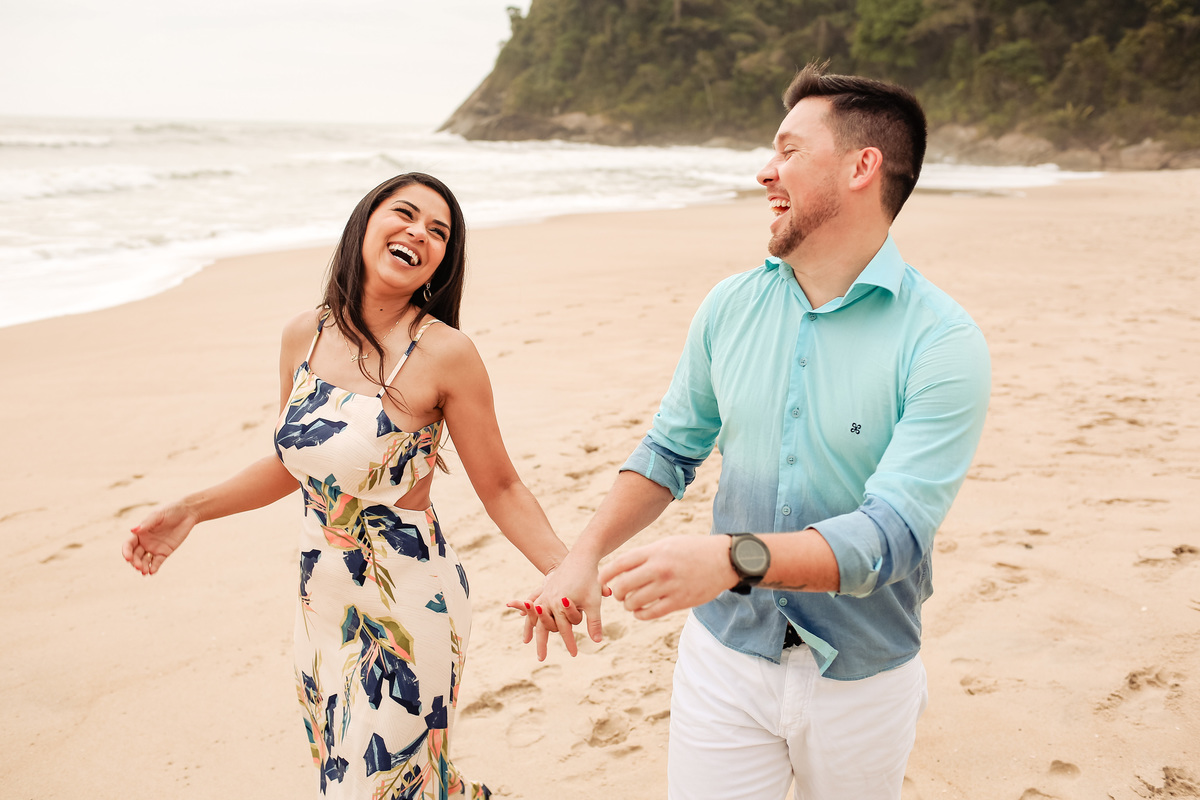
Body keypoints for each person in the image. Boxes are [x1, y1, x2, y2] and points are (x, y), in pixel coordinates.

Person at [517, 63, 992, 799]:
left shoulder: (942, 341)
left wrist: (733, 559)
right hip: (725, 661)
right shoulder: (728, 306)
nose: (766, 171)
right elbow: (670, 452)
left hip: (865, 676)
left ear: (863, 166)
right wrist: (583, 554)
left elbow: (892, 537)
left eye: (790, 151)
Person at [122, 172, 572, 799]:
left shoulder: (445, 353)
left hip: (410, 606)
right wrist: (194, 509)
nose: (419, 233)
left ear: (442, 263)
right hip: (322, 600)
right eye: (405, 214)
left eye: (439, 232)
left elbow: (500, 487)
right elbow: (295, 463)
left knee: (373, 788)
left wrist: (565, 569)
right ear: (365, 223)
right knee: (373, 778)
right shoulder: (301, 334)